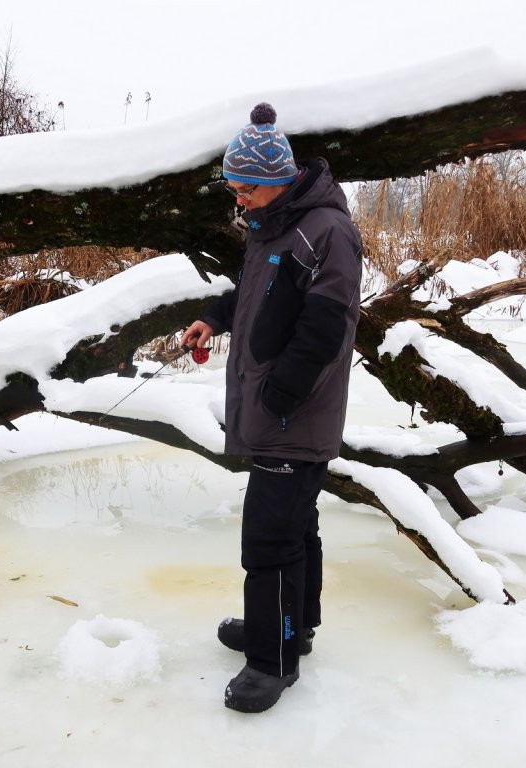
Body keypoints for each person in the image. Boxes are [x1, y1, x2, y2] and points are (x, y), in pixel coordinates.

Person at [180, 102, 363, 713]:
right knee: (295, 527)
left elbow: (325, 330)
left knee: (268, 539)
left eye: (245, 189)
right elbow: (256, 296)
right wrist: (214, 319)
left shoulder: (326, 232)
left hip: (295, 411)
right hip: (277, 407)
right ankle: (292, 628)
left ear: (278, 179)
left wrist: (278, 397)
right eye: (232, 188)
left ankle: (272, 662)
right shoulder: (274, 225)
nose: (238, 199)